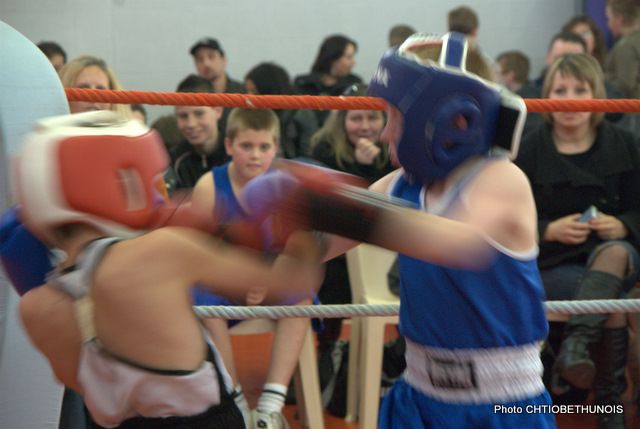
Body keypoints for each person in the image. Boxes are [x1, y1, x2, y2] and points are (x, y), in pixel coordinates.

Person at [244, 31, 555, 429]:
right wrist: (270, 236)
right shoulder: (404, 182)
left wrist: (320, 202)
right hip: (417, 394)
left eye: (395, 116)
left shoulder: (500, 180)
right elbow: (322, 246)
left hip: (504, 405)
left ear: (449, 118)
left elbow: (449, 241)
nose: (385, 132)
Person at [9, 110, 322, 429]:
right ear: (122, 179)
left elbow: (84, 379)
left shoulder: (34, 310)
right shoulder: (163, 250)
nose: (158, 190)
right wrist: (301, 225)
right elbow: (290, 284)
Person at [515, 53, 640, 429]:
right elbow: (504, 218)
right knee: (613, 302)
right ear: (546, 97)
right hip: (553, 264)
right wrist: (546, 230)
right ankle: (609, 407)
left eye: (580, 90)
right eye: (561, 90)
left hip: (619, 256)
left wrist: (622, 225)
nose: (571, 100)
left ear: (597, 95)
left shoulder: (625, 143)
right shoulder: (528, 149)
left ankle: (576, 348)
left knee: (616, 253)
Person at [189, 108, 313, 429]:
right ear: (229, 145)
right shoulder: (209, 187)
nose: (255, 156)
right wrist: (239, 282)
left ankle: (272, 403)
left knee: (302, 293)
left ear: (276, 148)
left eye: (264, 147)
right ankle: (237, 402)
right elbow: (201, 255)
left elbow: (297, 251)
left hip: (267, 282)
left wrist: (265, 280)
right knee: (201, 297)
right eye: (246, 146)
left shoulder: (286, 189)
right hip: (223, 285)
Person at [308, 82, 394, 363]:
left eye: (372, 117)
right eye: (356, 118)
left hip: (386, 249)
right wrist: (359, 167)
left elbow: (392, 208)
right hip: (340, 252)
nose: (365, 126)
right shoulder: (324, 149)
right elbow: (334, 209)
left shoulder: (396, 150)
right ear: (342, 121)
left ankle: (395, 354)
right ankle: (328, 347)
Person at [245, 62, 318, 159]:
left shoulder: (301, 114)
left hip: (295, 168)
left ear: (269, 90)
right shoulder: (247, 112)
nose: (249, 97)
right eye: (247, 91)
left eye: (254, 91)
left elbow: (308, 156)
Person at [171, 74, 228, 189]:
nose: (191, 124)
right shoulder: (174, 159)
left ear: (218, 111)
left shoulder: (237, 152)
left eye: (199, 113)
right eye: (183, 116)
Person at [293, 34, 363, 127]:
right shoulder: (303, 84)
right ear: (333, 58)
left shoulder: (354, 85)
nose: (353, 62)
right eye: (349, 57)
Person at [190, 37, 245, 141]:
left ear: (224, 59)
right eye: (199, 59)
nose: (206, 63)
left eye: (211, 56)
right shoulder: (191, 96)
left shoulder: (243, 93)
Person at [58, 55, 132, 118]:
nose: (93, 97)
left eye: (101, 91)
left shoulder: (131, 132)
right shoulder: (50, 132)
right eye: (83, 89)